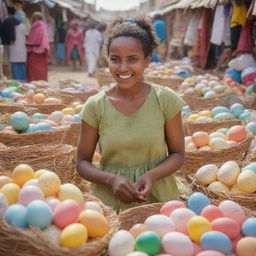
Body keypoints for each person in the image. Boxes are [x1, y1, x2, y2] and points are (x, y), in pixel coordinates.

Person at [76, 17, 185, 211]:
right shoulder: (95, 107)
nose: (123, 68)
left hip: (159, 200)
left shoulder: (165, 100)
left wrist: (151, 175)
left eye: (132, 59)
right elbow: (82, 162)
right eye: (115, 59)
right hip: (109, 203)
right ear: (107, 60)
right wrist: (111, 179)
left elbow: (177, 154)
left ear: (147, 60)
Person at [26, 12, 50, 82]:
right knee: (42, 70)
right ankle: (42, 84)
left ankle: (34, 84)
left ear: (35, 18)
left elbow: (36, 41)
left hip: (34, 52)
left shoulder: (35, 26)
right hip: (42, 52)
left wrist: (28, 43)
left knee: (33, 70)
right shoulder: (43, 26)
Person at [9, 6, 26, 81]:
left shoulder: (11, 25)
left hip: (15, 49)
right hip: (21, 50)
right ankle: (23, 82)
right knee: (21, 67)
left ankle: (19, 82)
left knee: (16, 67)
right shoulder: (22, 26)